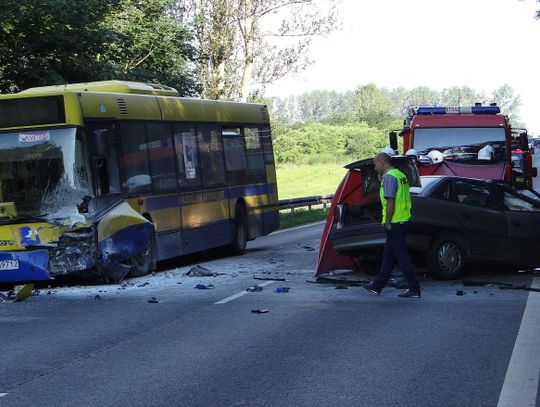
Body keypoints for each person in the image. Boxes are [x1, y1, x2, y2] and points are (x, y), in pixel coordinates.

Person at [363, 153, 421, 298]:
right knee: (389, 256)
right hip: (403, 219)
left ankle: (414, 288)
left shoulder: (390, 177)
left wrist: (387, 222)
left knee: (402, 257)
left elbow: (390, 202)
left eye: (376, 164)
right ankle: (377, 286)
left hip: (395, 222)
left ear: (382, 163)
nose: (375, 168)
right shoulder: (399, 174)